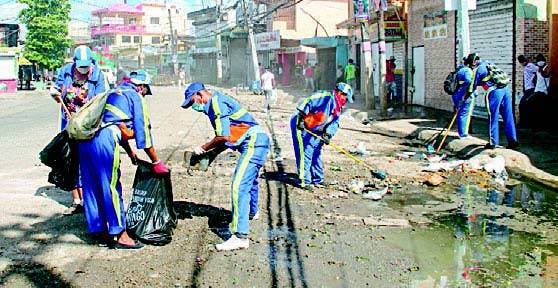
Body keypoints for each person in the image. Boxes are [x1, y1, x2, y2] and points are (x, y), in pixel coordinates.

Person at [78, 69, 169, 249]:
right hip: (104, 141)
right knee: (110, 186)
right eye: (145, 91)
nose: (145, 94)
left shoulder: (112, 92)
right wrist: (156, 162)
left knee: (91, 185)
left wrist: (129, 152)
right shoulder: (136, 97)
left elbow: (115, 123)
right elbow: (144, 136)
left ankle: (98, 230)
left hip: (85, 141)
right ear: (141, 87)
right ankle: (120, 235)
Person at [181, 82, 270, 251]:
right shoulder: (218, 102)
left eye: (193, 102)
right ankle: (251, 212)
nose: (194, 106)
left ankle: (240, 236)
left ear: (199, 95)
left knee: (239, 186)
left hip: (253, 143)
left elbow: (222, 136)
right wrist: (211, 155)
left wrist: (203, 148)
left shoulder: (216, 103)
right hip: (258, 141)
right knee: (250, 181)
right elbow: (228, 138)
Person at [50, 45, 108, 215]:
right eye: (80, 66)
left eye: (86, 66)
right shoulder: (66, 71)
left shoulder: (98, 76)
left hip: (89, 126)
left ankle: (91, 201)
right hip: (69, 124)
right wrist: (54, 92)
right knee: (71, 161)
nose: (83, 70)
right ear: (74, 62)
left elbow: (100, 101)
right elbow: (58, 92)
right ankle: (77, 201)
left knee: (89, 162)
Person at [290, 82, 352, 189]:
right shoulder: (325, 97)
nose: (345, 102)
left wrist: (328, 134)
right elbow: (307, 101)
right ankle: (304, 181)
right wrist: (301, 116)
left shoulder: (338, 107)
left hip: (316, 127)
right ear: (340, 93)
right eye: (345, 98)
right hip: (302, 124)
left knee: (316, 151)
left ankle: (318, 179)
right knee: (305, 151)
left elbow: (334, 122)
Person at [466, 53, 519, 149]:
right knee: (508, 116)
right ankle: (513, 141)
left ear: (473, 62)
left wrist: (466, 96)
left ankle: (493, 142)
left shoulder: (478, 69)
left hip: (494, 92)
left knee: (492, 116)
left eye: (470, 65)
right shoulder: (488, 63)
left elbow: (471, 87)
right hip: (505, 89)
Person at [452, 60, 475, 139]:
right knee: (465, 114)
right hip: (464, 95)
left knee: (460, 113)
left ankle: (461, 132)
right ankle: (463, 134)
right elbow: (468, 80)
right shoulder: (467, 70)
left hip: (456, 94)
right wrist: (467, 92)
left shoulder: (458, 70)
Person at [517, 55, 539, 128]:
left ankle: (523, 123)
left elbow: (538, 70)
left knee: (522, 105)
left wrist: (535, 79)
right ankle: (526, 123)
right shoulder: (526, 67)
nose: (521, 64)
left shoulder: (530, 66)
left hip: (531, 88)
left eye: (521, 62)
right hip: (527, 89)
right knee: (526, 105)